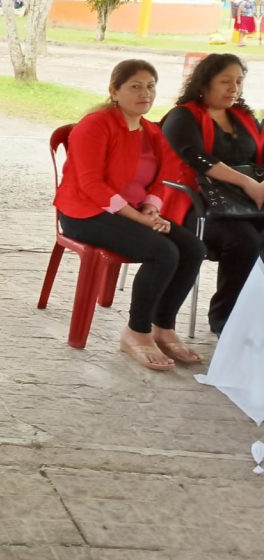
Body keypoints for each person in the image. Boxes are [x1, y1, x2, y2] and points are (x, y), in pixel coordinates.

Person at [55, 60, 205, 370]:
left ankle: (163, 326)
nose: (144, 93)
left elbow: (162, 176)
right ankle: (136, 332)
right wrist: (141, 220)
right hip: (85, 213)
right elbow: (91, 184)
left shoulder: (150, 130)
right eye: (135, 86)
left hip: (131, 212)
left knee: (193, 248)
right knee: (162, 252)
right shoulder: (96, 124)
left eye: (150, 86)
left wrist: (151, 207)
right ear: (114, 91)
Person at [161, 53, 264, 335]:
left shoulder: (244, 117)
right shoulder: (182, 116)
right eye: (225, 81)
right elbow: (197, 159)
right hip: (197, 206)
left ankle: (253, 314)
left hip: (246, 203)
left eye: (239, 82)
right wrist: (247, 183)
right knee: (245, 241)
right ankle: (226, 320)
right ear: (205, 83)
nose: (234, 88)